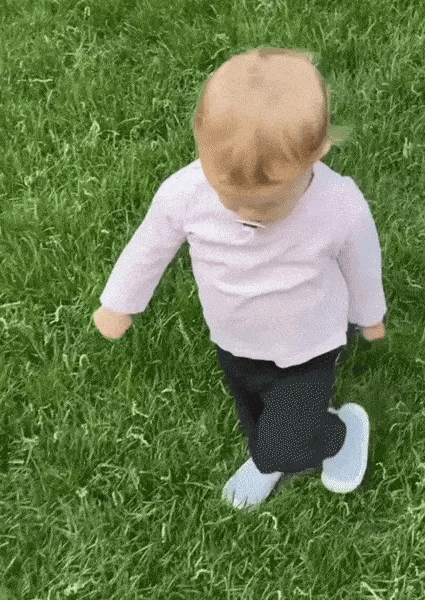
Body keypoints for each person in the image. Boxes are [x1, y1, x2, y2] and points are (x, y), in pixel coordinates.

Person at [93, 47, 387, 511]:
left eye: (268, 203)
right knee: (253, 412)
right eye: (230, 198)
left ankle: (337, 433)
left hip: (309, 344)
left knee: (283, 442)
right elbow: (149, 248)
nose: (247, 213)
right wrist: (120, 304)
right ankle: (268, 452)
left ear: (318, 153)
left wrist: (369, 316)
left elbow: (363, 263)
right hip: (233, 339)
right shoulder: (184, 193)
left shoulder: (339, 204)